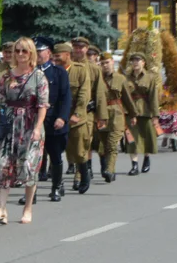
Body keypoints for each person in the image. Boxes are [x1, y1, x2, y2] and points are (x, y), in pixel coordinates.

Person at [0, 37, 49, 224]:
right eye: (17, 51)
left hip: (30, 125)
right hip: (9, 124)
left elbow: (42, 105)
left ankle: (27, 208)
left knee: (29, 167)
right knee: (3, 164)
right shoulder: (7, 76)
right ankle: (1, 208)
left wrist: (38, 128)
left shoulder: (38, 76)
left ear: (31, 53)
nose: (20, 54)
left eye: (24, 51)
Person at [34, 36, 71, 203]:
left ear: (48, 52)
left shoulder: (58, 72)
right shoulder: (30, 72)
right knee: (33, 158)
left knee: (55, 156)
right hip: (34, 122)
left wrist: (62, 117)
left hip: (53, 121)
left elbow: (65, 97)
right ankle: (30, 193)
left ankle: (56, 187)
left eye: (39, 51)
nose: (37, 54)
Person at [70, 37, 108, 189]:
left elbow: (99, 94)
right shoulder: (68, 66)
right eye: (76, 47)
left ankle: (79, 175)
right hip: (69, 112)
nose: (78, 50)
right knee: (70, 145)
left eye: (81, 47)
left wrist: (102, 116)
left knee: (84, 143)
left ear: (86, 49)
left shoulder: (94, 69)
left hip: (88, 112)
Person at [56, 42, 93, 194]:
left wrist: (77, 113)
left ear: (67, 55)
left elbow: (84, 94)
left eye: (58, 55)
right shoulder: (55, 71)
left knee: (79, 151)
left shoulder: (80, 70)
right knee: (59, 152)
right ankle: (58, 184)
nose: (55, 58)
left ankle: (84, 175)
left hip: (76, 119)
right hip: (59, 119)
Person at [97, 52, 136, 183]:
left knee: (112, 144)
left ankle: (110, 170)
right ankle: (105, 167)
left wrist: (133, 114)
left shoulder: (120, 79)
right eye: (102, 63)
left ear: (112, 62)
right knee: (102, 145)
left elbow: (127, 99)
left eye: (107, 62)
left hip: (116, 115)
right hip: (101, 114)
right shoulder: (97, 78)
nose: (105, 66)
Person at [125, 53, 160, 172]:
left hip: (145, 111)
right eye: (133, 60)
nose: (135, 62)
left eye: (138, 60)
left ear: (143, 62)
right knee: (131, 139)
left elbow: (153, 97)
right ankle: (134, 165)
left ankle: (146, 158)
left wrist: (155, 115)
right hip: (130, 112)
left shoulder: (150, 77)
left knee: (146, 137)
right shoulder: (126, 78)